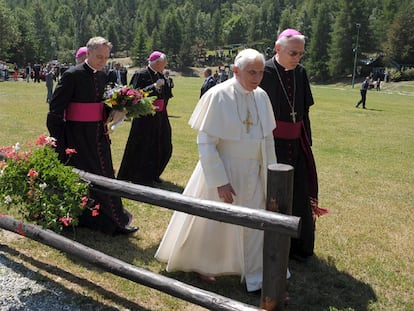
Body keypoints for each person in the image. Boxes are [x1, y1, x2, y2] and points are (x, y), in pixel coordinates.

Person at [155, 49, 277, 293]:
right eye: (251, 72)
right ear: (235, 70)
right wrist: (220, 180)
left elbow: (268, 139)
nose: (257, 78)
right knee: (213, 222)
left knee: (254, 221)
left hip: (254, 170)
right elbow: (206, 143)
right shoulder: (218, 95)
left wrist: (270, 172)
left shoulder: (262, 96)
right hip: (224, 168)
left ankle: (255, 272)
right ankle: (205, 264)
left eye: (261, 72)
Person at [46, 36, 138, 235]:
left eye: (105, 58)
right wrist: (59, 140)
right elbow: (55, 110)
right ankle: (78, 219)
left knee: (105, 175)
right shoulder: (72, 75)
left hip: (98, 135)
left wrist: (114, 111)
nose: (102, 61)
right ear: (87, 53)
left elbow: (101, 105)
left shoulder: (103, 76)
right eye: (98, 57)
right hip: (76, 138)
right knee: (82, 178)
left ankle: (113, 221)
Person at [260, 28, 328, 262]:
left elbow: (304, 110)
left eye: (301, 54)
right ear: (278, 48)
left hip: (296, 145)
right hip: (272, 144)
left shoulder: (301, 73)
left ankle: (300, 247)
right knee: (273, 195)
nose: (297, 58)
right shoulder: (265, 71)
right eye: (293, 53)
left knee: (299, 193)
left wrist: (306, 140)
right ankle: (275, 245)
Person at [118, 51, 172, 186]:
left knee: (164, 145)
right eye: (163, 64)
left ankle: (154, 173)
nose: (165, 66)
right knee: (144, 146)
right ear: (157, 63)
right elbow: (134, 94)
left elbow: (166, 95)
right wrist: (154, 87)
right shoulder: (140, 74)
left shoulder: (160, 75)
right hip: (144, 117)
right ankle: (140, 176)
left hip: (160, 116)